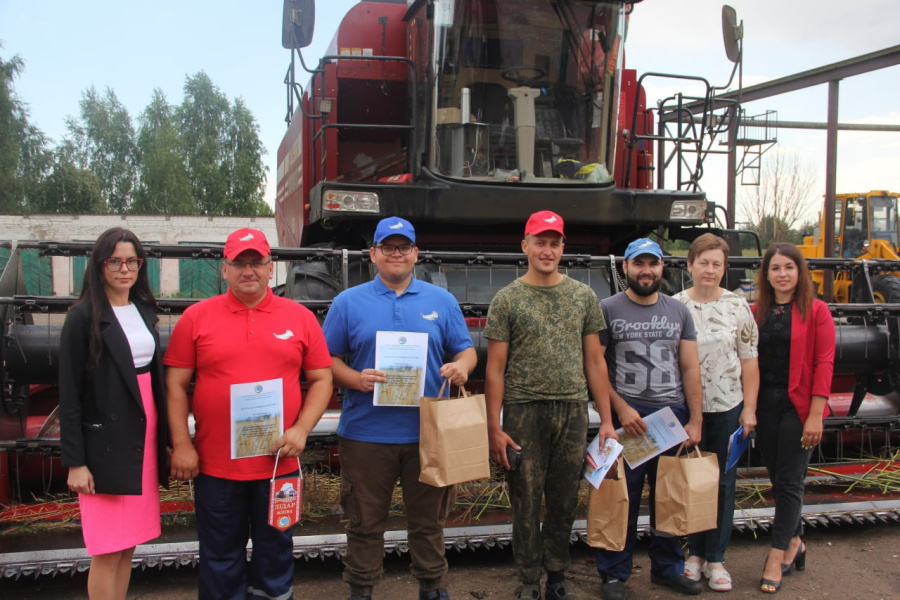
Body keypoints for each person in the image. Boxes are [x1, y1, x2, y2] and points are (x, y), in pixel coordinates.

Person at [165, 228, 333, 600]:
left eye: (256, 262)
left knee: (275, 554)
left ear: (271, 268)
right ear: (224, 270)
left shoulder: (300, 317)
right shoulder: (196, 318)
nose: (248, 270)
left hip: (278, 466)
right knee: (220, 556)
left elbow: (322, 379)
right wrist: (183, 443)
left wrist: (302, 429)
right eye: (239, 263)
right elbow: (175, 386)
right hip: (215, 467)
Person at [321, 217, 477, 600]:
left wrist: (461, 368)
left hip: (427, 433)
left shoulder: (440, 300)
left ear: (415, 254)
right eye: (387, 247)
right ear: (373, 254)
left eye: (403, 247)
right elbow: (327, 361)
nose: (396, 254)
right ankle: (361, 589)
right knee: (364, 522)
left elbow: (466, 349)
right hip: (366, 435)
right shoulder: (347, 303)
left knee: (429, 522)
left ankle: (432, 585)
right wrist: (355, 379)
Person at [485, 210, 616, 600]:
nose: (547, 250)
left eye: (554, 242)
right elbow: (495, 369)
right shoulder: (507, 299)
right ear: (524, 246)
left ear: (563, 247)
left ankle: (557, 575)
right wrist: (495, 426)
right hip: (525, 410)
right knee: (525, 500)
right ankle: (528, 580)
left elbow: (595, 361)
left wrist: (606, 420)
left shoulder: (583, 296)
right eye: (539, 242)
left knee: (563, 498)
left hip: (573, 410)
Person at [59, 228, 169, 600]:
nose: (125, 269)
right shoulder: (82, 317)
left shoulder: (143, 311)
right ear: (100, 265)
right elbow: (69, 395)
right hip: (105, 444)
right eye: (115, 261)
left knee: (128, 546)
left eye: (133, 261)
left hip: (143, 435)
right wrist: (75, 461)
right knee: (107, 549)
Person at [595, 237, 704, 600]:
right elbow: (594, 368)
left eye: (652, 264)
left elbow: (690, 368)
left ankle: (668, 568)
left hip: (671, 418)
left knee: (669, 498)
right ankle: (613, 574)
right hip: (631, 421)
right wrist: (621, 410)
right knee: (620, 498)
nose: (646, 271)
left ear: (662, 268)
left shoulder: (679, 311)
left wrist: (696, 421)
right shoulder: (607, 309)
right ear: (625, 267)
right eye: (638, 264)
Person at [673, 234, 760, 593]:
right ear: (690, 264)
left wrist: (749, 409)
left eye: (717, 264)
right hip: (688, 410)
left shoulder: (738, 307)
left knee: (724, 483)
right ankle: (692, 554)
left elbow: (750, 361)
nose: (710, 270)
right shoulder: (676, 305)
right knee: (692, 479)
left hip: (727, 407)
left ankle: (716, 558)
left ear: (725, 269)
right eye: (704, 262)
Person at [752, 243, 835, 594]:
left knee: (789, 481)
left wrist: (816, 414)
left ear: (800, 273)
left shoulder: (817, 311)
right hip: (764, 404)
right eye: (775, 268)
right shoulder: (757, 311)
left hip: (799, 406)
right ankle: (796, 541)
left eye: (789, 267)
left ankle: (776, 555)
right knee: (778, 478)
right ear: (766, 275)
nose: (782, 274)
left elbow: (824, 363)